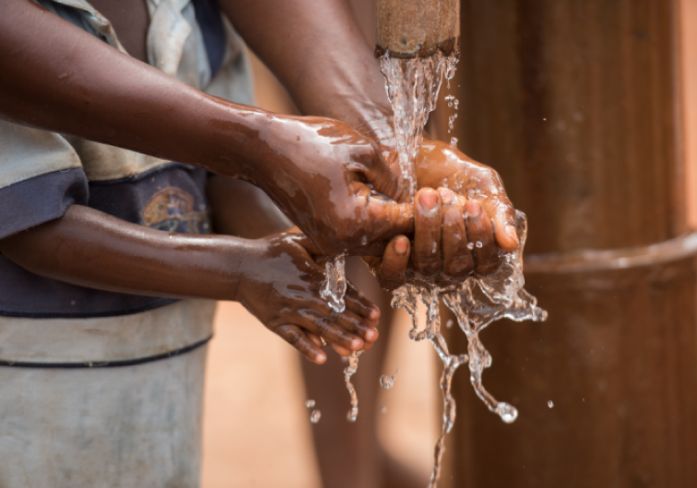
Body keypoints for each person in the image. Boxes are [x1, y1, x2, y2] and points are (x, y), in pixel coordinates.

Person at [0, 0, 520, 486]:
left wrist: (348, 219)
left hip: (162, 409)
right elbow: (31, 228)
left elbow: (226, 180)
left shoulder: (188, 18)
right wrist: (242, 267)